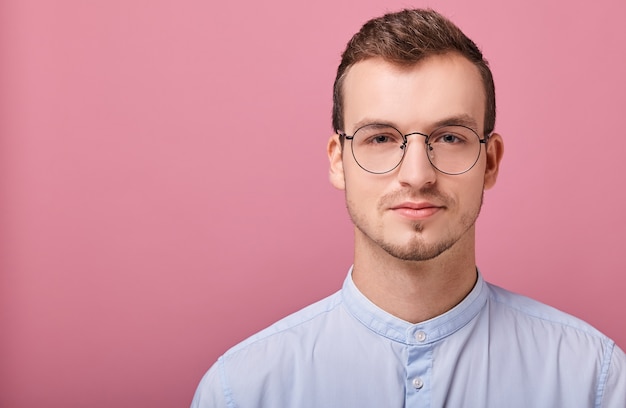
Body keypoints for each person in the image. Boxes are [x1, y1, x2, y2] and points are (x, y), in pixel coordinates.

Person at [191, 8, 626, 407]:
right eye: (380, 138)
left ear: (490, 162)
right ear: (338, 161)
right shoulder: (241, 391)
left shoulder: (594, 381)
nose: (417, 175)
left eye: (449, 137)